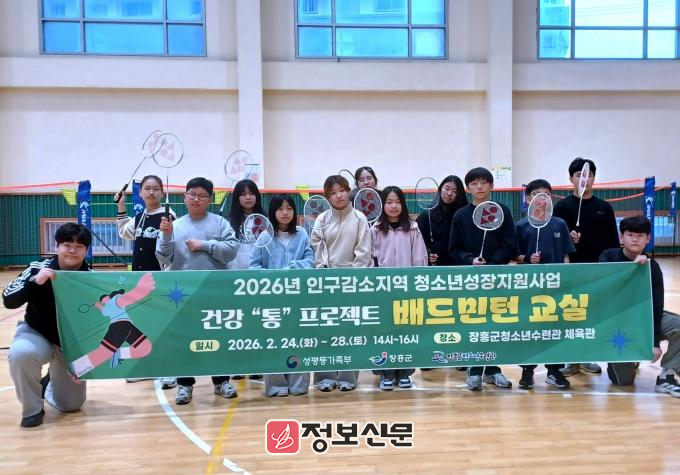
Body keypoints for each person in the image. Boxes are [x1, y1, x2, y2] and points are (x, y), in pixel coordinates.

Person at [156, 177, 240, 405]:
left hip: (215, 292)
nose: (196, 199)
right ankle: (184, 384)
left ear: (209, 200)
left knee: (217, 337)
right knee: (184, 339)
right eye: (192, 194)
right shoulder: (174, 225)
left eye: (202, 196)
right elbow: (163, 258)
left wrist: (205, 245)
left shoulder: (220, 223)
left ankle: (221, 381)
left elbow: (232, 250)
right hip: (183, 294)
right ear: (184, 197)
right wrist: (166, 235)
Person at [4, 223, 92, 427]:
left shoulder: (90, 278)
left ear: (86, 251)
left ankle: (50, 382)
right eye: (67, 245)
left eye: (79, 246)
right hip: (37, 332)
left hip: (70, 342)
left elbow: (96, 322)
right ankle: (32, 410)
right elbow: (9, 300)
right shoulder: (37, 267)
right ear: (57, 246)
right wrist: (36, 281)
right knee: (21, 354)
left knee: (71, 405)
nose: (72, 250)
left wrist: (86, 360)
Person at [449, 167, 517, 391]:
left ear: (491, 185)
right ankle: (475, 371)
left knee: (495, 324)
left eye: (484, 182)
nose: (479, 187)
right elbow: (454, 249)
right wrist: (471, 260)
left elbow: (510, 244)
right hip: (471, 279)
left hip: (497, 277)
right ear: (467, 188)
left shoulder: (503, 211)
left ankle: (494, 370)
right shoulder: (460, 215)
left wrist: (493, 264)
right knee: (474, 324)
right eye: (474, 183)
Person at [599, 216, 680, 397]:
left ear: (648, 239)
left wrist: (654, 343)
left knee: (678, 325)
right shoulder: (608, 256)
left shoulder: (653, 267)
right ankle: (631, 358)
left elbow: (657, 306)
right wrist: (633, 267)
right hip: (618, 324)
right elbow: (604, 280)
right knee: (623, 381)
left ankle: (667, 376)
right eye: (630, 235)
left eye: (640, 235)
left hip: (645, 316)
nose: (635, 239)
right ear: (621, 237)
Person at [554, 157, 619, 376]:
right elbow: (556, 239)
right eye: (579, 175)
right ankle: (570, 359)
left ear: (594, 178)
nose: (585, 179)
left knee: (591, 315)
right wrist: (569, 238)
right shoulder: (562, 206)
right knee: (571, 314)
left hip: (598, 271)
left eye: (589, 175)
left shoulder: (604, 207)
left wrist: (611, 269)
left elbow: (613, 242)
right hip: (572, 271)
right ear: (571, 179)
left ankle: (587, 356)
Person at [310, 175, 372, 392]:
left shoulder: (360, 218)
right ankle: (325, 377)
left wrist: (351, 280)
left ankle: (348, 378)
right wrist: (325, 271)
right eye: (333, 193)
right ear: (327, 197)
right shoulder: (321, 219)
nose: (339, 196)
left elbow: (364, 253)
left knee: (350, 333)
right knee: (325, 332)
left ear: (349, 191)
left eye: (342, 190)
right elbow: (317, 246)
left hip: (352, 284)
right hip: (326, 283)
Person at [116, 174, 177, 389]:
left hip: (159, 281)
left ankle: (168, 370)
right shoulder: (141, 216)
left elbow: (172, 247)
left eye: (156, 189)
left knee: (162, 325)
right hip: (139, 281)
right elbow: (125, 233)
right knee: (142, 324)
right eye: (147, 188)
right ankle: (147, 367)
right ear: (140, 193)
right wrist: (121, 207)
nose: (151, 192)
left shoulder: (168, 215)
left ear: (162, 192)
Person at [250, 194, 314, 397]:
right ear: (273, 212)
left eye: (289, 208)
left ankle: (299, 385)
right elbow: (253, 267)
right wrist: (271, 277)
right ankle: (276, 386)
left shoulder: (302, 234)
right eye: (280, 209)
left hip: (298, 299)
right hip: (272, 301)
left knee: (299, 341)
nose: (285, 213)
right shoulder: (264, 236)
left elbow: (310, 261)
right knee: (274, 343)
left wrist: (291, 269)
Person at [514, 179, 574, 390]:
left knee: (554, 329)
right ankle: (527, 370)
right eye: (537, 194)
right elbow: (514, 256)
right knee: (530, 329)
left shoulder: (559, 224)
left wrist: (566, 276)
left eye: (546, 194)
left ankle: (554, 371)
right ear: (528, 198)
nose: (542, 198)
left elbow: (566, 254)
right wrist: (527, 258)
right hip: (530, 287)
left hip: (555, 287)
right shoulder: (521, 226)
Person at [371, 186, 427, 390]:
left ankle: (405, 372)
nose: (393, 206)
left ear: (403, 204)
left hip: (407, 291)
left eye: (397, 202)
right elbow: (369, 259)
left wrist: (417, 285)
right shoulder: (374, 229)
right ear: (382, 204)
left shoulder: (413, 228)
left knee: (406, 332)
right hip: (382, 291)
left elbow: (420, 258)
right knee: (384, 332)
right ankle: (386, 373)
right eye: (389, 202)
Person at [68, 273, 156, 378]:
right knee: (104, 353)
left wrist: (141, 289)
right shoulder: (111, 304)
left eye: (106, 297)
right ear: (104, 301)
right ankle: (76, 369)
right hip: (119, 327)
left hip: (126, 326)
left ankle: (118, 354)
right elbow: (131, 296)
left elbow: (130, 297)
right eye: (104, 299)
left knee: (144, 348)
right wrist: (142, 288)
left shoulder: (114, 301)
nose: (106, 298)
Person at [227, 178, 266, 380]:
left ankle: (257, 364)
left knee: (257, 322)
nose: (248, 197)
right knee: (237, 323)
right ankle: (237, 364)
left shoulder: (266, 221)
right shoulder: (228, 222)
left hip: (259, 280)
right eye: (243, 194)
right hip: (236, 280)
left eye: (251, 193)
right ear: (237, 198)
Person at [416, 175, 468, 267]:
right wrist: (428, 253)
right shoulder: (427, 215)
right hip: (435, 268)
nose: (449, 193)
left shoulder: (463, 215)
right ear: (440, 189)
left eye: (455, 191)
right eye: (447, 189)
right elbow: (418, 241)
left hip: (459, 266)